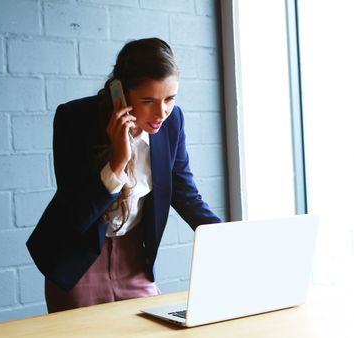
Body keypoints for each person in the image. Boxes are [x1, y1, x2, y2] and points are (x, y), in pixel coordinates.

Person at [26, 37, 221, 313]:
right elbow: (76, 214)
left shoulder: (173, 121)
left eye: (170, 98)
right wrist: (118, 162)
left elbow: (185, 192)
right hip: (78, 256)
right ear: (121, 92)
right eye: (148, 100)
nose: (162, 112)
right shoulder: (75, 118)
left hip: (133, 258)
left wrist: (226, 237)